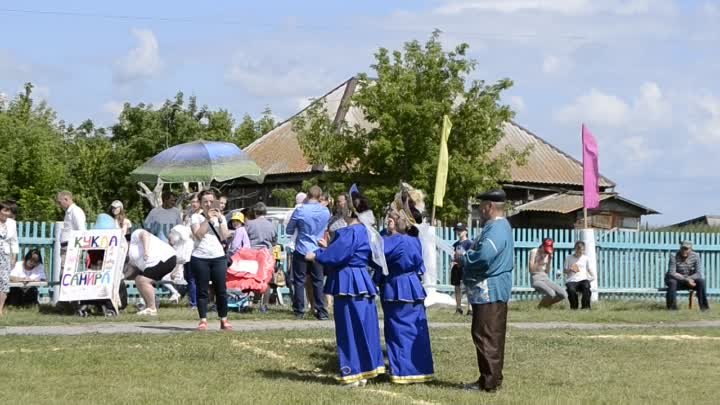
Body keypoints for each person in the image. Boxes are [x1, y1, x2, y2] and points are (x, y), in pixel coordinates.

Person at [305, 189, 385, 386]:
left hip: (348, 280)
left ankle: (352, 372)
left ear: (351, 212)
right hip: (361, 280)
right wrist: (328, 248)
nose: (342, 210)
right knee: (364, 327)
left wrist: (316, 255)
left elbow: (337, 256)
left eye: (345, 207)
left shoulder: (350, 232)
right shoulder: (366, 231)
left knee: (348, 329)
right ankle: (367, 370)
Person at [458, 189, 514, 393]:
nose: (478, 211)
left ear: (489, 207)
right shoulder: (498, 227)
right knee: (490, 334)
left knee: (486, 335)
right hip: (492, 291)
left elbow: (484, 256)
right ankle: (491, 379)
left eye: (480, 206)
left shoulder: (496, 229)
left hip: (490, 291)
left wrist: (463, 259)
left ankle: (488, 382)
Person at [374, 209, 434, 384]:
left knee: (398, 331)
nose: (389, 220)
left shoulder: (396, 241)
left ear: (404, 222)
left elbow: (376, 255)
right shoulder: (415, 241)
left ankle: (403, 371)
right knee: (415, 331)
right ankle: (420, 370)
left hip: (397, 288)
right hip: (413, 286)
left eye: (393, 217)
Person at [286, 186, 331, 320]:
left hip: (301, 247)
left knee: (299, 280)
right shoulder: (325, 211)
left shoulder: (300, 210)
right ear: (320, 196)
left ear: (307, 195)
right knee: (318, 280)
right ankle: (321, 310)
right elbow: (326, 228)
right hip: (317, 248)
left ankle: (299, 310)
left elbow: (289, 230)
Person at [190, 190, 232, 330]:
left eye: (211, 201)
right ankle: (203, 320)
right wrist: (207, 219)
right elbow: (198, 235)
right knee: (202, 290)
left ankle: (224, 319)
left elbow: (225, 236)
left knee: (221, 290)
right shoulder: (196, 217)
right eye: (205, 202)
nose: (208, 204)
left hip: (218, 257)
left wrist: (220, 220)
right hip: (200, 257)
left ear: (215, 201)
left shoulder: (221, 216)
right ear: (201, 203)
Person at [125, 229, 178, 316]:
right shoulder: (130, 256)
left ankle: (152, 308)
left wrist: (146, 251)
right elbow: (133, 270)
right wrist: (123, 277)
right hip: (155, 263)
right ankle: (149, 306)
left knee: (142, 280)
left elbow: (145, 235)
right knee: (139, 280)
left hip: (165, 257)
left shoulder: (134, 236)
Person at [244, 202, 278, 312]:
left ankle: (251, 302)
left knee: (251, 278)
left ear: (255, 212)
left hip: (252, 254)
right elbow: (274, 241)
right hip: (266, 254)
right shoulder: (271, 225)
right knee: (266, 280)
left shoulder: (249, 224)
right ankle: (264, 305)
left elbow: (245, 238)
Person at [666, 241, 710, 311]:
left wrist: (689, 279)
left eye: (686, 249)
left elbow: (698, 273)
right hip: (677, 281)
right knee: (672, 282)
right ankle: (672, 308)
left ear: (691, 249)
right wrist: (686, 279)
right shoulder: (673, 256)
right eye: (682, 248)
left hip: (690, 281)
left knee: (701, 281)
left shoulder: (696, 256)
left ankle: (704, 308)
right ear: (680, 248)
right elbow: (672, 273)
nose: (684, 251)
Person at [529, 238, 567, 308]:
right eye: (545, 249)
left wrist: (549, 260)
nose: (545, 252)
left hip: (545, 277)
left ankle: (545, 305)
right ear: (542, 246)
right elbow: (531, 269)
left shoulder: (548, 253)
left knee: (563, 294)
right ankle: (540, 307)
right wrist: (540, 260)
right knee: (551, 293)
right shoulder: (534, 251)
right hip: (536, 278)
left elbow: (547, 271)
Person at [564, 241, 596, 310]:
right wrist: (570, 269)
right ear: (575, 249)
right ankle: (574, 307)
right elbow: (565, 271)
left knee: (586, 286)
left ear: (584, 250)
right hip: (572, 280)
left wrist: (593, 276)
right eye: (578, 250)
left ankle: (585, 307)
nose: (580, 252)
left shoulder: (586, 258)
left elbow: (589, 269)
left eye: (581, 250)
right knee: (571, 289)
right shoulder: (569, 258)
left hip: (583, 279)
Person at [0, 201, 19, 315]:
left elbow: (14, 241)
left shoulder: (12, 223)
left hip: (5, 255)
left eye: (9, 211)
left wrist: (14, 256)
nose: (7, 213)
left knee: (3, 283)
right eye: (5, 210)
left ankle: (0, 309)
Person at [450, 223, 473, 315]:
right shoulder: (455, 244)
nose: (458, 232)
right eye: (457, 230)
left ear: (466, 231)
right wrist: (453, 259)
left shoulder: (469, 243)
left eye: (460, 230)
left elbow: (471, 256)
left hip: (466, 268)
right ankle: (458, 307)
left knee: (468, 288)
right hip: (456, 268)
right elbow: (453, 255)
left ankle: (470, 308)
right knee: (457, 287)